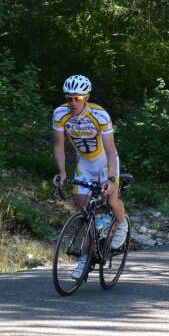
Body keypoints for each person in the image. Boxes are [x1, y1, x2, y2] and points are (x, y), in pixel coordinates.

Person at [52, 74, 128, 279]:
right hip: (84, 164)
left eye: (77, 98)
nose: (73, 102)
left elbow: (110, 150)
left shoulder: (100, 115)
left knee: (111, 197)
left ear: (86, 97)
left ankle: (122, 223)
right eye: (69, 98)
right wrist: (62, 171)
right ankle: (85, 258)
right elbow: (58, 146)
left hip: (105, 162)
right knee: (83, 211)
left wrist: (110, 178)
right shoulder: (60, 114)